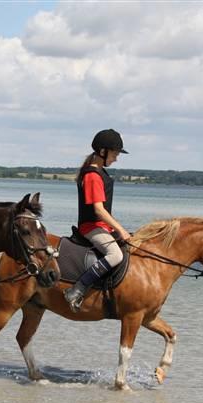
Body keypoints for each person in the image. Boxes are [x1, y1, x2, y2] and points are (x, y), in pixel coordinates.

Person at [63, 129, 131, 312]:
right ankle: (77, 289)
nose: (116, 158)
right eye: (115, 154)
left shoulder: (100, 172)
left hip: (101, 226)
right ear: (103, 152)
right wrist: (121, 229)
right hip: (91, 227)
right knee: (116, 255)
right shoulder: (93, 176)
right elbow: (99, 211)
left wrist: (117, 229)